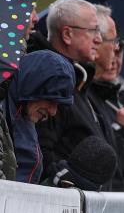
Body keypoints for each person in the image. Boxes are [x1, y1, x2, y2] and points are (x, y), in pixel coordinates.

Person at [34, 0, 112, 182]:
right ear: (67, 35)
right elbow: (40, 152)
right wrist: (73, 180)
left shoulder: (78, 80)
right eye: (93, 30)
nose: (99, 39)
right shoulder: (49, 81)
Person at [89, 5, 124, 191]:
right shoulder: (85, 96)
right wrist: (119, 128)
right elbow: (95, 154)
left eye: (119, 52)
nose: (114, 60)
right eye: (111, 50)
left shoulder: (123, 99)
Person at [2, 50, 75, 183]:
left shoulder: (22, 110)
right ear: (32, 86)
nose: (53, 111)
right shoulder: (9, 107)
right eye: (50, 100)